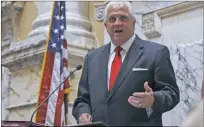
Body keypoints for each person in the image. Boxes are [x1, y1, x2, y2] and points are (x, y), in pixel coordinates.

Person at [72, 1, 180, 126]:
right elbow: (82, 99)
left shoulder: (156, 53)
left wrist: (153, 99)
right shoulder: (92, 58)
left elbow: (171, 93)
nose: (117, 23)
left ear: (133, 23)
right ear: (106, 25)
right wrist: (83, 113)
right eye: (112, 19)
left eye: (123, 18)